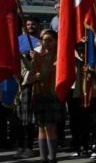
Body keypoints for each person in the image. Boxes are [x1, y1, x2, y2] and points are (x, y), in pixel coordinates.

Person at [25, 29, 60, 163]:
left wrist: (39, 62)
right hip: (38, 93)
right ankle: (43, 158)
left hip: (52, 93)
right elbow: (28, 78)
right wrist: (34, 76)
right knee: (41, 127)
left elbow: (50, 71)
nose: (46, 43)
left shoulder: (58, 56)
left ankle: (52, 158)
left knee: (50, 127)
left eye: (49, 40)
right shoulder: (37, 55)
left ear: (56, 41)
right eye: (43, 40)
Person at [14, 17, 41, 160]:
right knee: (18, 116)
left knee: (29, 117)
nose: (30, 26)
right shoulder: (18, 39)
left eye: (33, 24)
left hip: (32, 83)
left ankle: (29, 146)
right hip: (17, 82)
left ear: (37, 26)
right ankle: (20, 146)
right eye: (28, 24)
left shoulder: (40, 42)